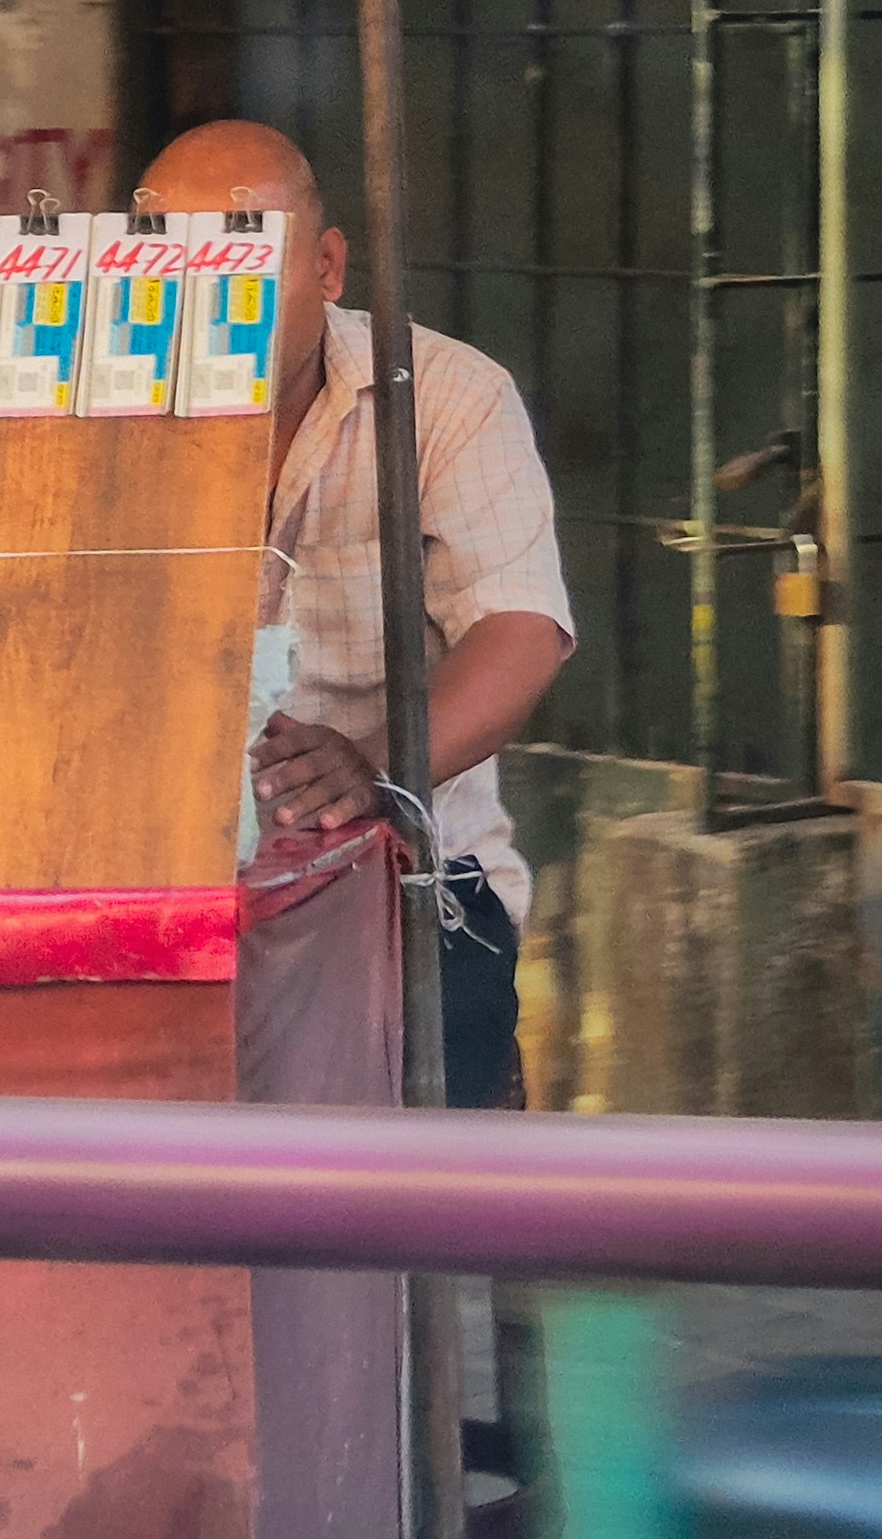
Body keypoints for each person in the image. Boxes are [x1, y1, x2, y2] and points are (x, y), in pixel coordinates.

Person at [136, 119, 574, 1111]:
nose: (205, 301)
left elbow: (521, 629)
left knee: (419, 1220)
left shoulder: (446, 398)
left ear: (325, 266)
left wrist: (370, 766)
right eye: (168, 262)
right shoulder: (83, 404)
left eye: (245, 257)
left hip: (411, 888)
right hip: (168, 886)